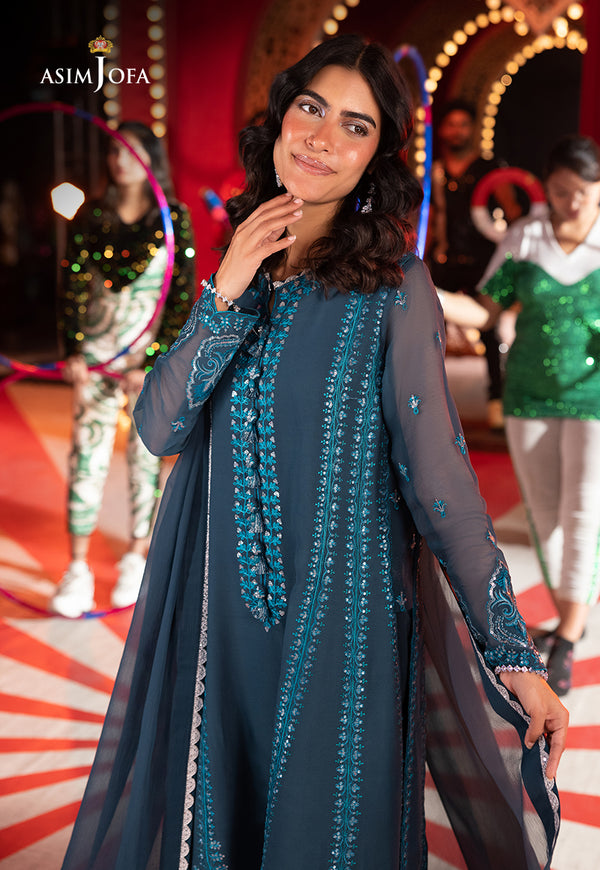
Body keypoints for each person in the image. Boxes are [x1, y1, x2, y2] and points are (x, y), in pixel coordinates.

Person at [60, 37, 567, 870]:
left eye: (355, 127)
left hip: (346, 624)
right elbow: (156, 430)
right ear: (280, 118)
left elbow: (441, 479)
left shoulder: (393, 286)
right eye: (311, 108)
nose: (323, 139)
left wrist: (512, 652)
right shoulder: (241, 269)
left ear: (377, 156)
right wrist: (225, 288)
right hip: (227, 625)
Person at [50, 121, 196, 617]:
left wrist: (156, 361)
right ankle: (76, 567)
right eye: (114, 152)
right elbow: (72, 286)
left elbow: (181, 296)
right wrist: (74, 351)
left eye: (131, 152)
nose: (120, 161)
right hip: (96, 360)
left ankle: (136, 555)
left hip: (144, 364)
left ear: (151, 158)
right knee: (86, 456)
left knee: (144, 456)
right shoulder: (91, 216)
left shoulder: (172, 218)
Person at [476, 134, 600, 696]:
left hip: (593, 396)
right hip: (528, 393)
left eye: (582, 193)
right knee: (544, 514)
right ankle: (567, 613)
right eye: (560, 191)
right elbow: (486, 307)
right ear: (546, 187)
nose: (570, 203)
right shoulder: (525, 236)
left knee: (584, 511)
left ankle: (568, 633)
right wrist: (425, 295)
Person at [427, 99, 521, 431]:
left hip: (483, 261)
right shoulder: (436, 170)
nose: (457, 131)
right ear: (443, 130)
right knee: (429, 328)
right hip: (445, 259)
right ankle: (427, 403)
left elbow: (512, 210)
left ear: (473, 129)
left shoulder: (490, 168)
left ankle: (496, 402)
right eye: (451, 124)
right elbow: (432, 215)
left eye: (463, 125)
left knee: (490, 331)